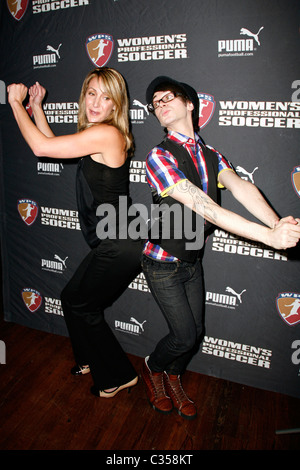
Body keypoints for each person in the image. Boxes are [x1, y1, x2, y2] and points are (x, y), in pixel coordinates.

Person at [141, 75, 300, 420]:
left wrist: (276, 223)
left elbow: (241, 188)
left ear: (190, 104)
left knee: (196, 332)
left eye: (168, 97)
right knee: (183, 335)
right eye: (155, 103)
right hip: (162, 264)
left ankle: (173, 375)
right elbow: (203, 206)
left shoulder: (212, 154)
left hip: (191, 261)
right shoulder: (158, 156)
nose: (161, 104)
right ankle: (154, 368)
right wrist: (267, 237)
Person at [7, 67, 143, 398]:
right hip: (113, 242)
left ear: (116, 106)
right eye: (91, 93)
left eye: (105, 96)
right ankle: (88, 359)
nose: (96, 102)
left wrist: (14, 103)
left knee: (84, 307)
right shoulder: (98, 133)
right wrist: (36, 106)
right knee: (72, 298)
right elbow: (53, 144)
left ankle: (116, 376)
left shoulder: (108, 134)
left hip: (119, 244)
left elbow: (41, 148)